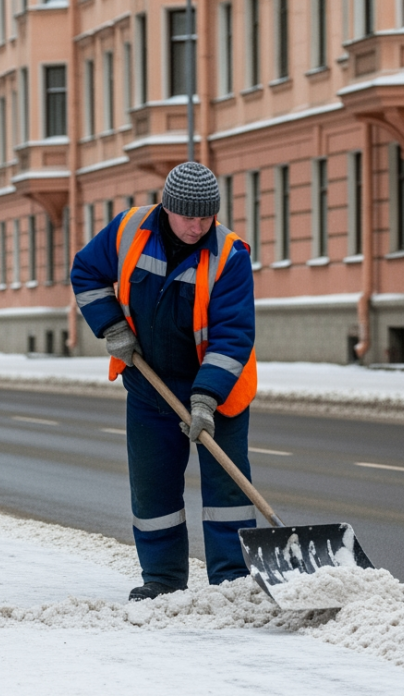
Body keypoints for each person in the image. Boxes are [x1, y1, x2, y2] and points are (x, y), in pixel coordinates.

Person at [71, 162, 259, 601]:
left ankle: (232, 583)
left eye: (206, 217)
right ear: (167, 208)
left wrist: (206, 399)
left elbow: (232, 335)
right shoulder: (128, 231)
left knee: (227, 491)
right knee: (153, 488)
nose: (197, 227)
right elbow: (86, 273)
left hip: (219, 391)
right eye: (188, 217)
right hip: (149, 384)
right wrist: (112, 326)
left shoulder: (230, 255)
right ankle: (163, 580)